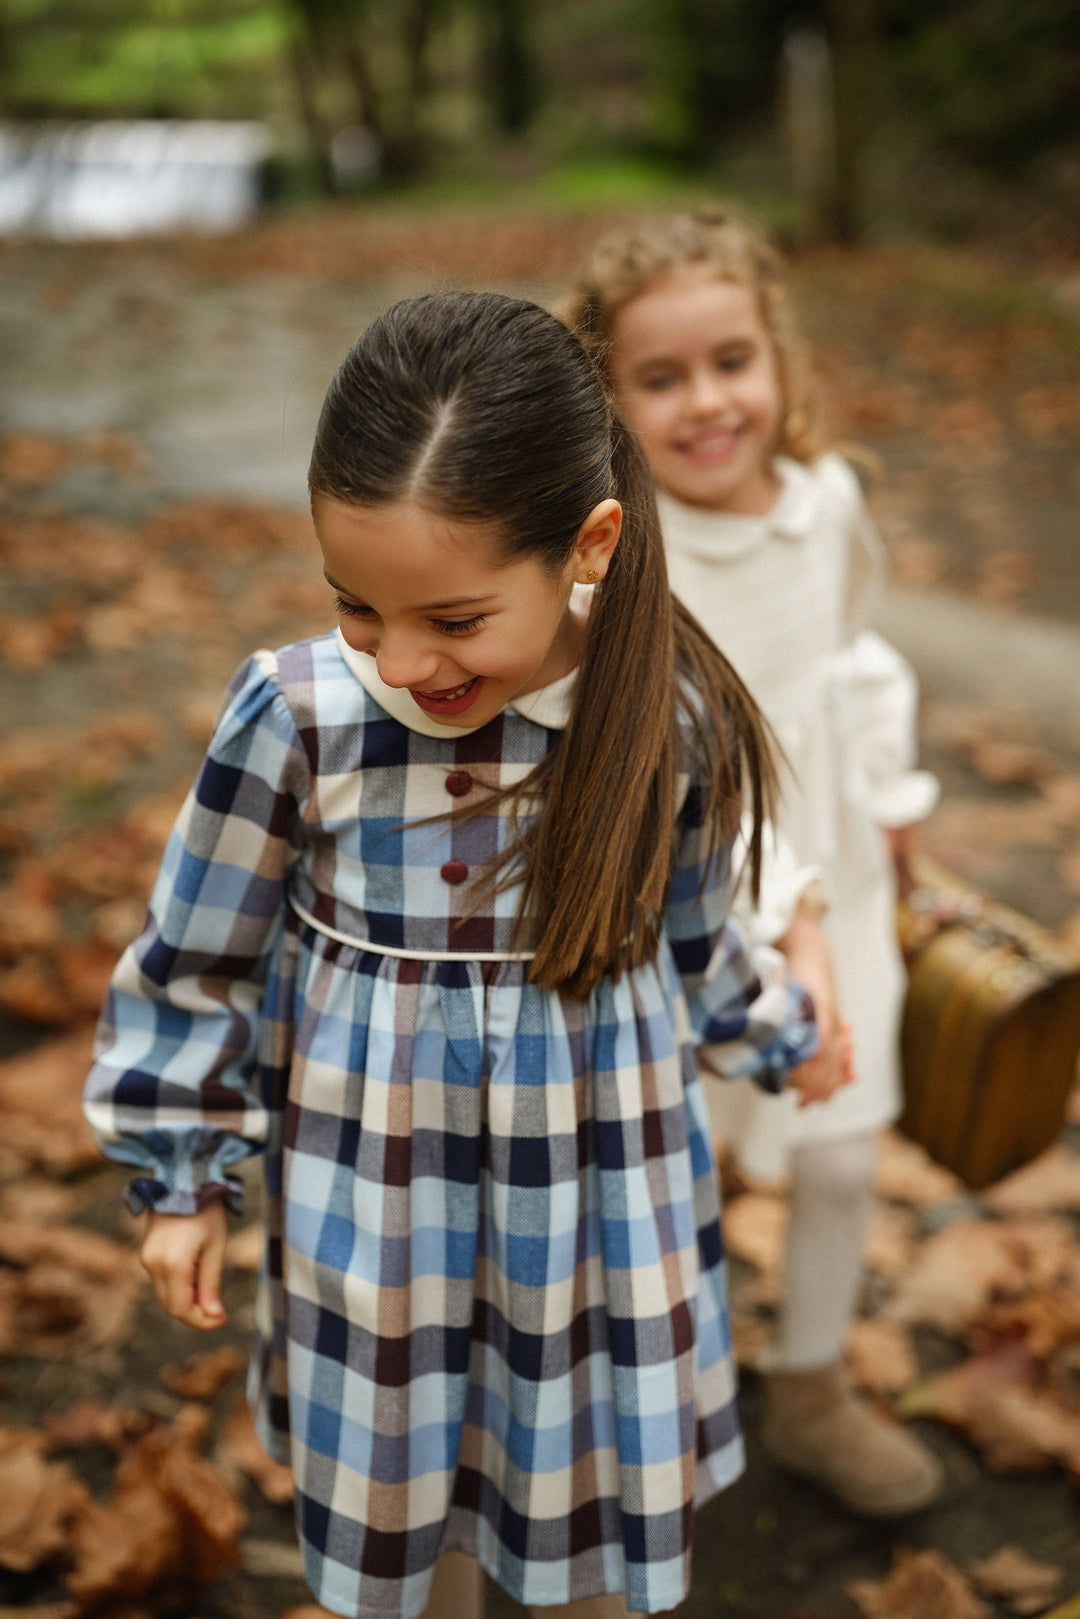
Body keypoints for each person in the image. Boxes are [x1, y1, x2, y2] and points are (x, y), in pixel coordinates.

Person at [84, 291, 844, 1619]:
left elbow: (694, 935)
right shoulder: (299, 716)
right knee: (411, 1505)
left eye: (452, 616)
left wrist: (785, 1028)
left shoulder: (658, 716)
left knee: (583, 1488)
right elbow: (193, 961)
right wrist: (181, 1175)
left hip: (603, 1198)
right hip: (381, 1208)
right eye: (357, 607)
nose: (399, 659)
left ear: (588, 545)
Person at [562, 209, 944, 1518]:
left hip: (837, 865)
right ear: (608, 400)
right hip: (699, 900)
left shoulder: (827, 501)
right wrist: (793, 919)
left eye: (732, 360)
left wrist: (889, 794)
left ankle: (814, 1383)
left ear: (777, 354)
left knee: (841, 1150)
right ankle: (658, 1388)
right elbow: (696, 768)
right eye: (660, 380)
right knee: (678, 1162)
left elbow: (853, 654)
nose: (708, 401)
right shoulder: (625, 558)